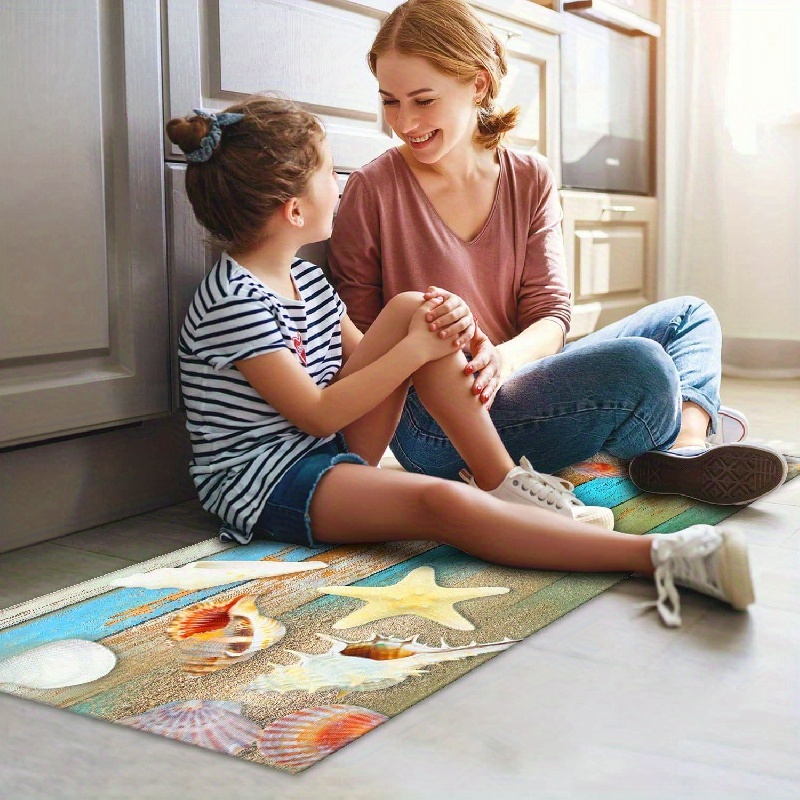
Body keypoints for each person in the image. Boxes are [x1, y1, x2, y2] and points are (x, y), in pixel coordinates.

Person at [168, 94, 755, 628]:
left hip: (330, 449)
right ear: (294, 212)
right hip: (272, 481)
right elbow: (318, 414)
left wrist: (447, 325)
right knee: (441, 503)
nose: (341, 182)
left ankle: (503, 481)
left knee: (413, 307)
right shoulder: (232, 302)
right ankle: (658, 558)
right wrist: (416, 351)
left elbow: (364, 358)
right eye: (328, 173)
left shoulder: (304, 276)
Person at [327, 0, 788, 508]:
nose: (404, 122)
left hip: (516, 375)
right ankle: (687, 425)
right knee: (643, 366)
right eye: (390, 101)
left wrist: (502, 359)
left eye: (422, 100)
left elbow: (550, 315)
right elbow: (361, 342)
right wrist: (449, 368)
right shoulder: (372, 187)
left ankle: (684, 448)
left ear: (478, 84)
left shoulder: (529, 176)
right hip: (437, 427)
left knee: (690, 316)